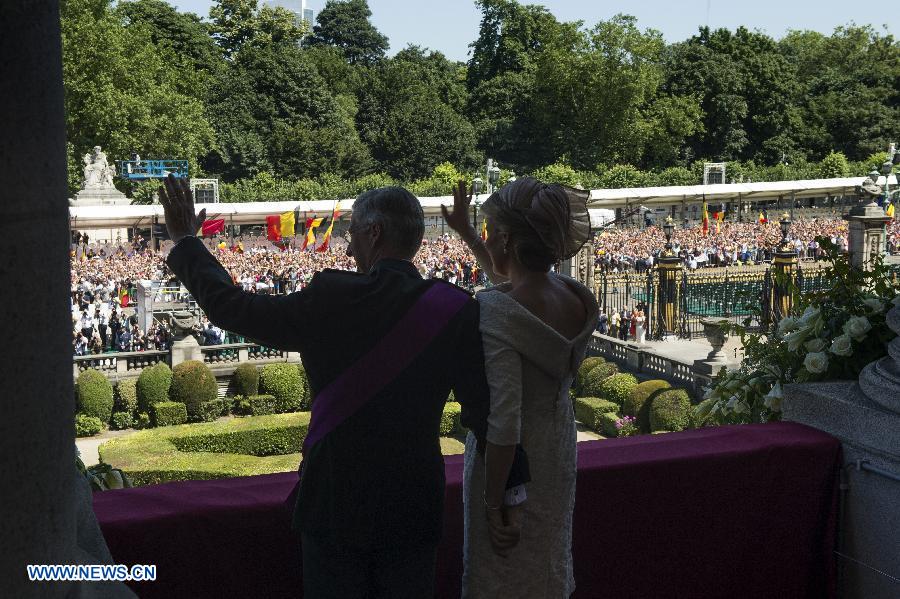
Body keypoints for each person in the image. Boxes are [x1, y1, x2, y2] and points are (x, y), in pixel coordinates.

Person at [157, 174, 526, 599]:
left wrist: (186, 240)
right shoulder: (455, 307)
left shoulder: (330, 295)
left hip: (333, 504)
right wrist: (510, 495)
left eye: (351, 234)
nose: (347, 248)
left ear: (374, 232)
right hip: (412, 505)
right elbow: (488, 411)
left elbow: (232, 307)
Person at [443, 178, 598, 597]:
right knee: (548, 567)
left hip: (511, 466)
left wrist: (495, 504)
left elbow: (505, 421)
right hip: (558, 451)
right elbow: (512, 276)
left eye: (492, 231)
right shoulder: (576, 296)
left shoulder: (497, 311)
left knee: (501, 577)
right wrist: (470, 233)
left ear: (508, 239)